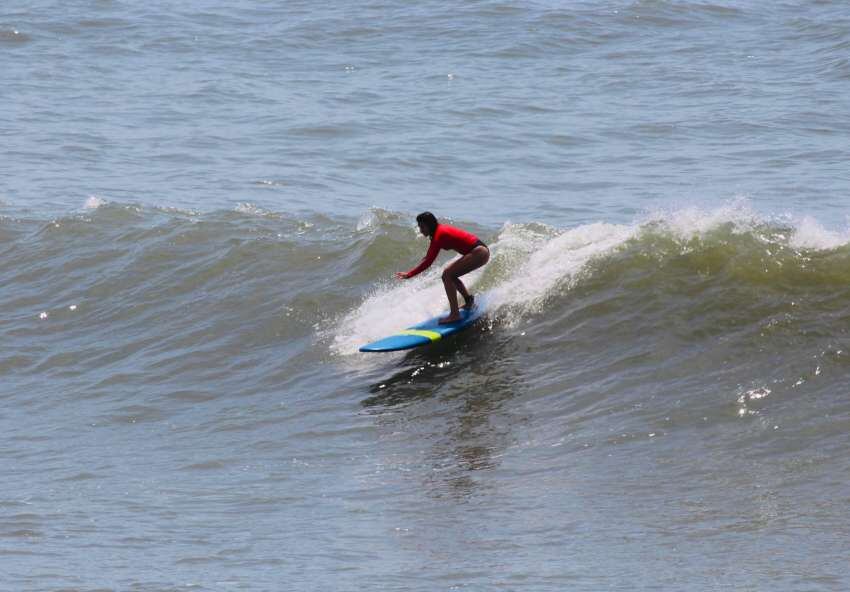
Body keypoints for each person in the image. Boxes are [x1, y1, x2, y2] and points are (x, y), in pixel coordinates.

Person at [395, 212, 490, 324]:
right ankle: (469, 301)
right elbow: (428, 257)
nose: (420, 230)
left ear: (429, 225)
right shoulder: (437, 233)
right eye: (419, 227)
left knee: (447, 275)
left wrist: (409, 274)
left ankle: (455, 314)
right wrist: (412, 271)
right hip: (479, 251)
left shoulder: (439, 234)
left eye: (422, 227)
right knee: (451, 275)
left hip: (479, 252)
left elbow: (428, 262)